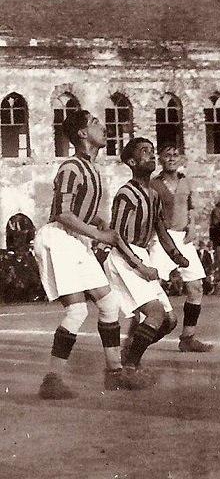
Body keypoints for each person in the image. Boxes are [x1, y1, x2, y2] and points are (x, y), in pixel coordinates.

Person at [32, 110, 123, 399]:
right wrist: (99, 234)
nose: (104, 127)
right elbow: (62, 213)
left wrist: (96, 220)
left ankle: (115, 373)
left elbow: (78, 210)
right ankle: (52, 379)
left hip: (76, 240)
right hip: (59, 237)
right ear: (82, 134)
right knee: (77, 310)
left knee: (110, 302)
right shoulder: (71, 167)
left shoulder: (92, 168)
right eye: (96, 123)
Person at [103, 137, 190, 385]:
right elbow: (116, 236)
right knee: (155, 314)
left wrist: (178, 258)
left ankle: (128, 355)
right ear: (131, 161)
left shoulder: (152, 194)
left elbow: (161, 229)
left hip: (141, 255)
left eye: (152, 151)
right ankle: (129, 367)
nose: (151, 156)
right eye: (144, 152)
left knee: (170, 321)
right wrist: (140, 266)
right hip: (124, 257)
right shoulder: (126, 193)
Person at [149, 144, 213, 352]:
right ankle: (135, 336)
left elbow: (191, 207)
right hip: (162, 239)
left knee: (196, 287)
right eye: (167, 155)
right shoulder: (154, 184)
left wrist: (193, 226)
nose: (172, 158)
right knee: (151, 285)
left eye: (175, 154)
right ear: (160, 159)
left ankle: (188, 338)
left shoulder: (185, 181)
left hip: (184, 240)